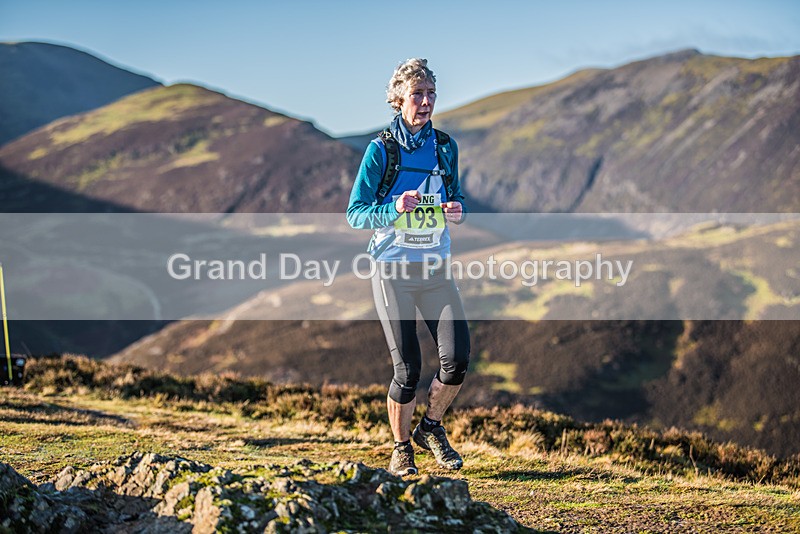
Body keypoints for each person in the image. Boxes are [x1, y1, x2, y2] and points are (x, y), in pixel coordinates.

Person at [346, 58, 470, 476]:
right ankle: (401, 449)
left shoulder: (446, 147)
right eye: (418, 94)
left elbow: (456, 199)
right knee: (408, 369)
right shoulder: (380, 150)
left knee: (457, 361)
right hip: (393, 271)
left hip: (435, 269)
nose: (426, 101)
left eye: (431, 94)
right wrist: (393, 209)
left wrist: (457, 211)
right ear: (399, 99)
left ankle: (431, 428)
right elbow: (356, 214)